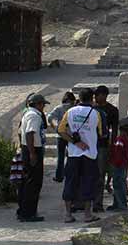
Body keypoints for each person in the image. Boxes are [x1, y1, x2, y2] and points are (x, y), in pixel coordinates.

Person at [58, 88, 101, 223]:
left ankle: (67, 214)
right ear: (92, 98)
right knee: (88, 182)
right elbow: (101, 133)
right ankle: (87, 214)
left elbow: (61, 131)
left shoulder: (69, 112)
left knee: (70, 182)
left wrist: (76, 142)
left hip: (73, 154)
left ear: (79, 98)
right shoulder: (96, 114)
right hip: (90, 154)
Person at [17, 94, 49, 222]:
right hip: (33, 149)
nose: (43, 107)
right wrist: (32, 153)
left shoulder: (28, 113)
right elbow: (30, 133)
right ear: (38, 104)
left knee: (28, 181)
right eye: (42, 104)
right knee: (33, 183)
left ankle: (25, 210)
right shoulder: (34, 116)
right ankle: (28, 213)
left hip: (28, 148)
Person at [92, 86, 118, 212]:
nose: (96, 97)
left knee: (100, 175)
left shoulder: (111, 110)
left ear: (104, 95)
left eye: (98, 95)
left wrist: (112, 146)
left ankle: (97, 204)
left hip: (102, 146)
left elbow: (114, 130)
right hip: (88, 145)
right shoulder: (91, 108)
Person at [48, 92, 75, 182]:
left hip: (61, 135)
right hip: (70, 136)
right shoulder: (74, 108)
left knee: (60, 157)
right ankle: (69, 174)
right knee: (71, 156)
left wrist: (56, 127)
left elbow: (50, 117)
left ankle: (59, 176)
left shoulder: (59, 108)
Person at [107, 122, 128, 211]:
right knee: (118, 185)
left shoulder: (120, 139)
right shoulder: (127, 139)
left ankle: (121, 205)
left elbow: (118, 153)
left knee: (118, 186)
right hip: (123, 165)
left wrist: (114, 163)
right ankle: (116, 203)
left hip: (118, 165)